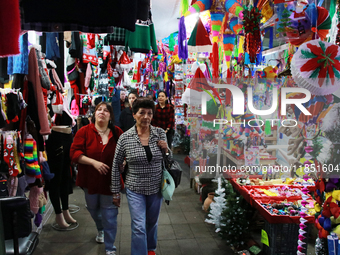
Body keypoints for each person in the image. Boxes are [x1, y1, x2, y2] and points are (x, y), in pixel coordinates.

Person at [111, 98, 170, 255]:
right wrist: (116, 191)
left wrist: (167, 150)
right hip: (135, 188)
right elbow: (116, 165)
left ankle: (150, 249)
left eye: (149, 113)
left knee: (152, 222)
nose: (146, 117)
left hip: (156, 187)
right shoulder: (125, 138)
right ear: (134, 114)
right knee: (138, 225)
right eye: (142, 113)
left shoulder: (159, 133)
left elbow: (167, 160)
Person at [70, 102, 123, 255]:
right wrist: (93, 162)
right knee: (93, 209)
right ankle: (100, 228)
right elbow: (74, 154)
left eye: (106, 110)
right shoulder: (84, 131)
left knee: (110, 214)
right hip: (89, 181)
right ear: (94, 114)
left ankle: (110, 248)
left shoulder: (117, 132)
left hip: (110, 183)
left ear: (110, 116)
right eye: (99, 109)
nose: (102, 112)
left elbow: (125, 151)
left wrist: (124, 161)